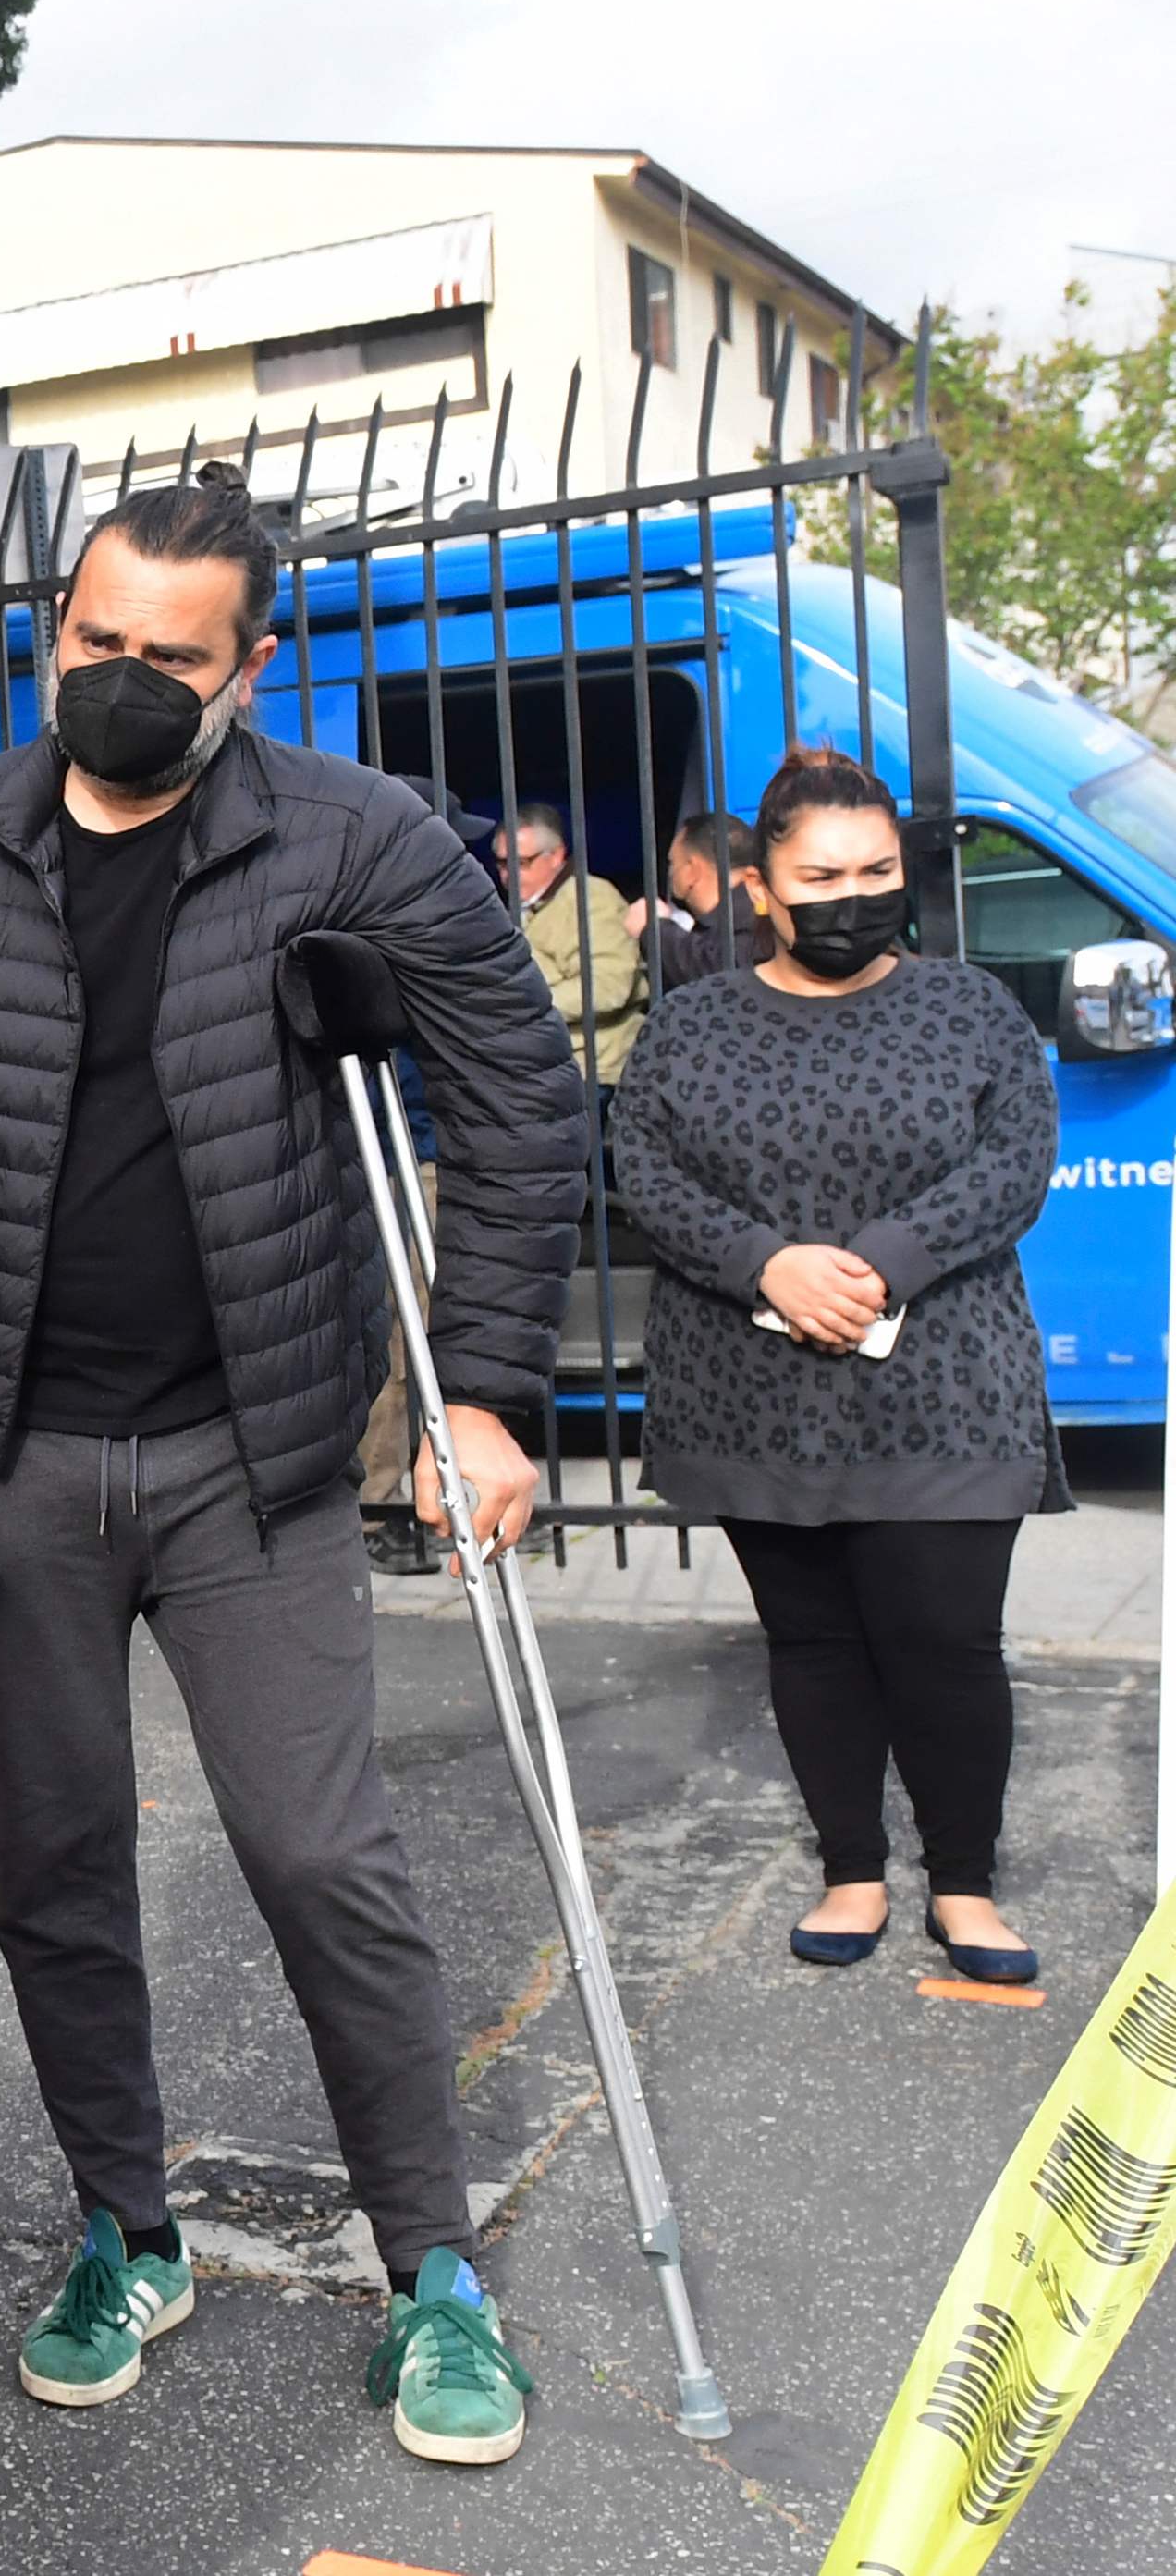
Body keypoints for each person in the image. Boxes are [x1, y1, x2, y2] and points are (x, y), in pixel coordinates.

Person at [0, 463, 589, 2466]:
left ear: (252, 666)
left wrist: (482, 1391)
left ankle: (433, 2267)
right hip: (3, 1459)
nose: (120, 681)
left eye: (169, 656)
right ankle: (128, 2226)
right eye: (93, 641)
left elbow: (515, 1101)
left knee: (325, 1854)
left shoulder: (354, 836)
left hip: (256, 1451)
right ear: (57, 625)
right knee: (56, 1867)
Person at [612, 749, 1060, 1985]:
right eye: (823, 874)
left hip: (945, 1376)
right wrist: (767, 1263)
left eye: (876, 870)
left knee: (948, 1640)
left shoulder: (969, 1007)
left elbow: (1015, 1160)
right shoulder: (693, 1019)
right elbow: (643, 1169)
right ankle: (852, 1868)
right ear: (761, 884)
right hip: (754, 1381)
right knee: (811, 1640)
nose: (852, 893)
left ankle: (964, 1885)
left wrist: (883, 1260)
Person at [511, 800, 649, 1085]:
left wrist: (520, 1005)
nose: (508, 873)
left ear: (556, 855)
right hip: (552, 1068)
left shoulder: (590, 900)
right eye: (501, 862)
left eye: (522, 863)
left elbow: (608, 986)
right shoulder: (523, 907)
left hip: (594, 1071)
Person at [631, 809, 767, 985]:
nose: (670, 872)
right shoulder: (737, 914)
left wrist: (652, 929)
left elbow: (721, 974)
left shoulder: (755, 914)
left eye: (673, 862)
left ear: (692, 871)